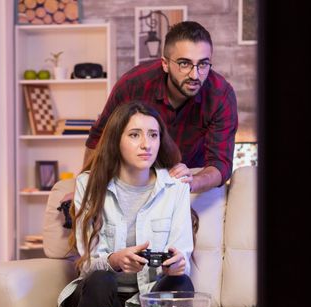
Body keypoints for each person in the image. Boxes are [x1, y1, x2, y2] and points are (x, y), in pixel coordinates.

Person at [57, 101, 196, 307]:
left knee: (182, 281)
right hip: (101, 294)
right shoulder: (88, 185)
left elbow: (182, 251)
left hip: (149, 298)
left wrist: (176, 264)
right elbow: (88, 263)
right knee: (101, 278)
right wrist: (114, 261)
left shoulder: (176, 188)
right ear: (116, 140)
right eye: (134, 135)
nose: (146, 144)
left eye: (153, 135)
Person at [85, 21, 238, 193]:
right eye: (184, 63)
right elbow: (99, 138)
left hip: (193, 176)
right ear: (165, 64)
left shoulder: (221, 95)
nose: (195, 75)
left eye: (203, 64)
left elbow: (220, 163)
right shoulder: (133, 85)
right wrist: (85, 187)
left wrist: (191, 182)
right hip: (138, 175)